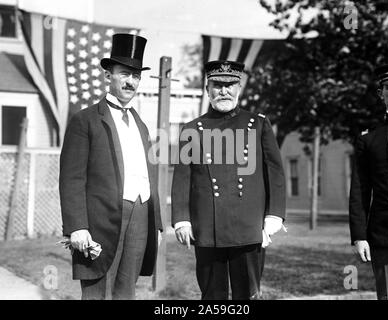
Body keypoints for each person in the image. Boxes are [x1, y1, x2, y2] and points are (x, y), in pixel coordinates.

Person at [171, 60, 287, 300]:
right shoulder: (191, 129)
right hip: (207, 229)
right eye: (217, 85)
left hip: (248, 227)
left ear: (239, 88)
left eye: (230, 85)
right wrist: (181, 220)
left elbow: (274, 172)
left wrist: (274, 214)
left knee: (248, 295)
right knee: (213, 296)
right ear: (207, 89)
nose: (224, 91)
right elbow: (183, 176)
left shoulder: (258, 124)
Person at [59, 33, 162, 300]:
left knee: (127, 292)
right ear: (108, 76)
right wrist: (76, 226)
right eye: (125, 73)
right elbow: (71, 179)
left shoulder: (141, 124)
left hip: (141, 215)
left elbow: (149, 175)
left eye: (136, 76)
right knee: (97, 293)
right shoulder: (86, 120)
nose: (131, 81)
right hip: (101, 221)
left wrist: (157, 223)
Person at [349, 61, 388, 300]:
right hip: (384, 237)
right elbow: (360, 191)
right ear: (381, 93)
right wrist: (359, 236)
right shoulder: (368, 139)